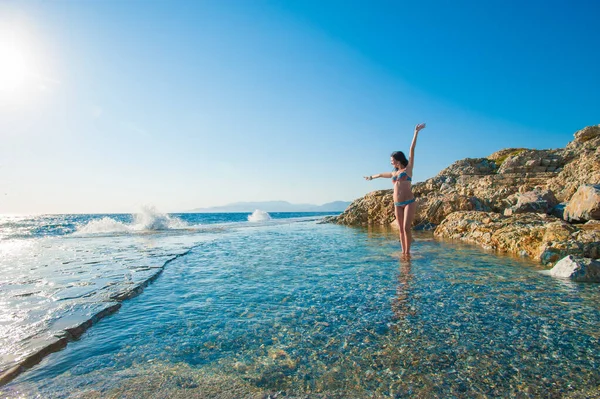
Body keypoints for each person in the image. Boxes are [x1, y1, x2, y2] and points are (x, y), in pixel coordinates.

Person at [364, 123, 426, 254]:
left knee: (406, 228)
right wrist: (371, 177)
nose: (391, 162)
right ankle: (403, 253)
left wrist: (416, 133)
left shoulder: (408, 169)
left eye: (392, 160)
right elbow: (380, 174)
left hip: (409, 202)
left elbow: (412, 150)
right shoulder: (394, 173)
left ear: (398, 159)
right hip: (397, 203)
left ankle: (407, 252)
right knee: (401, 230)